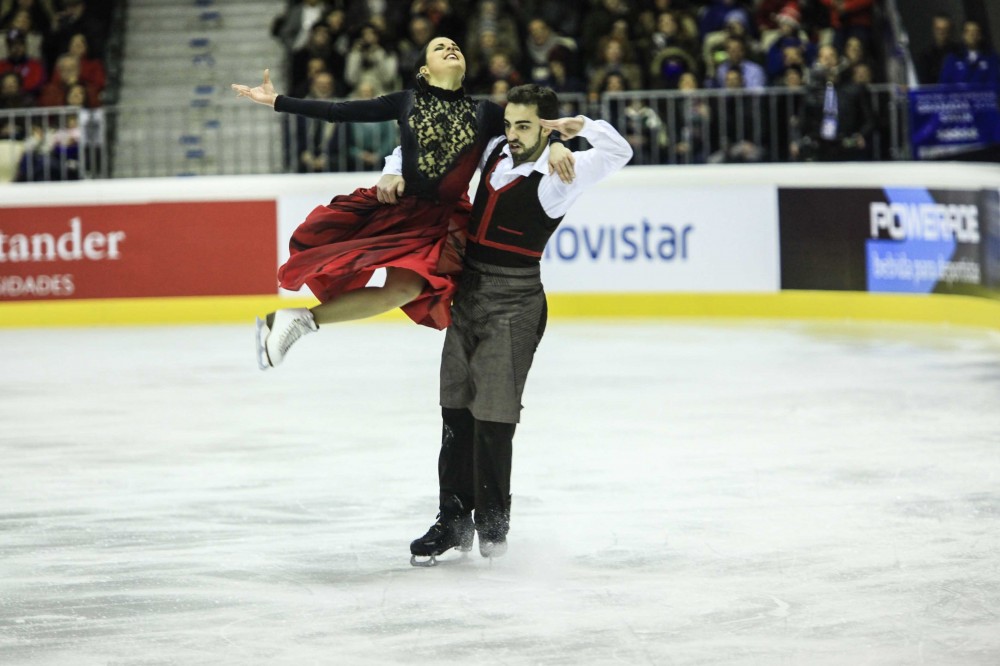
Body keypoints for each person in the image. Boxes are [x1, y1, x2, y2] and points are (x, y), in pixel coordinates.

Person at [397, 84, 632, 565]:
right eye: (509, 124)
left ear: (545, 125)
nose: (513, 134)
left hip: (516, 300)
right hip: (469, 294)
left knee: (494, 417)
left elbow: (619, 150)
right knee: (455, 410)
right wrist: (387, 171)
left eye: (524, 125)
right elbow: (422, 145)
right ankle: (453, 522)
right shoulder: (494, 151)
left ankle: (494, 529)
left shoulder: (561, 171)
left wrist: (578, 130)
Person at [231, 37, 573, 369]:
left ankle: (297, 320)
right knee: (392, 283)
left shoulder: (484, 112)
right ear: (424, 70)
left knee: (403, 291)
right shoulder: (408, 101)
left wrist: (555, 143)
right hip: (401, 212)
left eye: (454, 45)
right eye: (440, 47)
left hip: (441, 221)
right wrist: (278, 101)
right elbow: (339, 111)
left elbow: (526, 129)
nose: (451, 48)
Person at [939, 20, 1000, 87]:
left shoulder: (991, 58)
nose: (972, 35)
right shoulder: (952, 58)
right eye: (968, 31)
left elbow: (995, 84)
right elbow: (944, 85)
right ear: (963, 35)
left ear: (980, 35)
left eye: (975, 31)